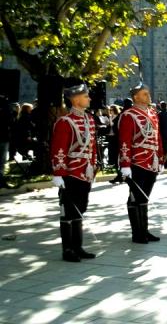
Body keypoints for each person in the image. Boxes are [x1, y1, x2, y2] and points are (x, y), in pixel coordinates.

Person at [50, 84, 98, 262]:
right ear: (76, 99)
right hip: (70, 173)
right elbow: (59, 149)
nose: (89, 99)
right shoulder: (65, 122)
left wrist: (92, 166)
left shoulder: (89, 119)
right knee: (68, 210)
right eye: (86, 96)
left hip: (85, 172)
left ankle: (78, 246)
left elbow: (92, 147)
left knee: (81, 208)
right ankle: (68, 249)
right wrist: (58, 173)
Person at [119, 83, 164, 244]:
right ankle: (137, 233)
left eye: (147, 93)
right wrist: (125, 164)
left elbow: (157, 137)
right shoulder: (129, 115)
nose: (148, 95)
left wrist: (160, 157)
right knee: (136, 197)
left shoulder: (152, 112)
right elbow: (125, 141)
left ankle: (144, 230)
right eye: (144, 94)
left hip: (151, 161)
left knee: (144, 196)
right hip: (137, 162)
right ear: (136, 97)